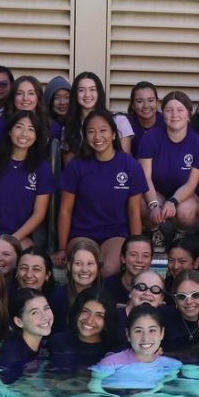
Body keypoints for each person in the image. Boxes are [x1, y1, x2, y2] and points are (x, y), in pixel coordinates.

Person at [57, 110, 147, 277]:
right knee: (84, 266)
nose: (97, 136)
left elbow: (134, 211)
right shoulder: (76, 166)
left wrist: (136, 247)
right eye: (91, 131)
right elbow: (65, 211)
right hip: (82, 233)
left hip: (116, 233)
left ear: (114, 134)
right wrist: (62, 248)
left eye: (103, 130)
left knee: (108, 269)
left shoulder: (130, 166)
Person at [0, 111, 53, 266]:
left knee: (19, 267)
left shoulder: (42, 168)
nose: (24, 133)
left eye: (31, 129)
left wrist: (11, 241)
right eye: (19, 127)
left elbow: (39, 213)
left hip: (20, 237)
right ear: (9, 131)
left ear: (36, 136)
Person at [138, 91, 199, 236]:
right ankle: (155, 233)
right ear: (163, 114)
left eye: (180, 110)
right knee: (141, 203)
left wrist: (173, 201)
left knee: (186, 212)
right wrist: (153, 205)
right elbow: (145, 177)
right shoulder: (150, 138)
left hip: (185, 196)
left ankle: (180, 234)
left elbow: (191, 184)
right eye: (169, 110)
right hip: (156, 192)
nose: (174, 115)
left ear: (189, 114)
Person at [90, 305, 183, 389]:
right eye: (138, 331)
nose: (145, 338)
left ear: (162, 333)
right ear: (128, 334)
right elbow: (95, 389)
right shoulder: (111, 364)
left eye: (152, 330)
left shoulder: (171, 366)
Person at [0, 288, 53, 384]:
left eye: (46, 308)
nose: (44, 316)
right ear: (19, 321)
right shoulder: (12, 357)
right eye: (34, 312)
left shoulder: (42, 344)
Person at [47, 288, 121, 374]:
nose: (89, 320)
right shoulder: (57, 341)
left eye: (99, 315)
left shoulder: (114, 351)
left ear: (108, 321)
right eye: (85, 311)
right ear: (76, 312)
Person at [62, 72, 134, 158]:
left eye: (92, 89)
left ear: (99, 92)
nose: (87, 95)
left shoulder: (119, 121)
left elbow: (124, 161)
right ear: (75, 94)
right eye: (81, 90)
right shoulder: (69, 127)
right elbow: (70, 167)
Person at [47, 238, 101, 333]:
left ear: (98, 266)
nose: (84, 269)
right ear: (69, 266)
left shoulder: (107, 296)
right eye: (78, 263)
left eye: (90, 264)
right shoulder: (57, 298)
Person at [0, 75, 54, 147]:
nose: (25, 98)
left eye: (31, 93)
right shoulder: (0, 125)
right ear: (13, 97)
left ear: (38, 97)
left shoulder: (50, 125)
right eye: (19, 93)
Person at [101, 235, 155, 308]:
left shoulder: (156, 288)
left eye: (145, 256)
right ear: (123, 258)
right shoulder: (107, 286)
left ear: (151, 260)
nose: (139, 260)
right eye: (133, 255)